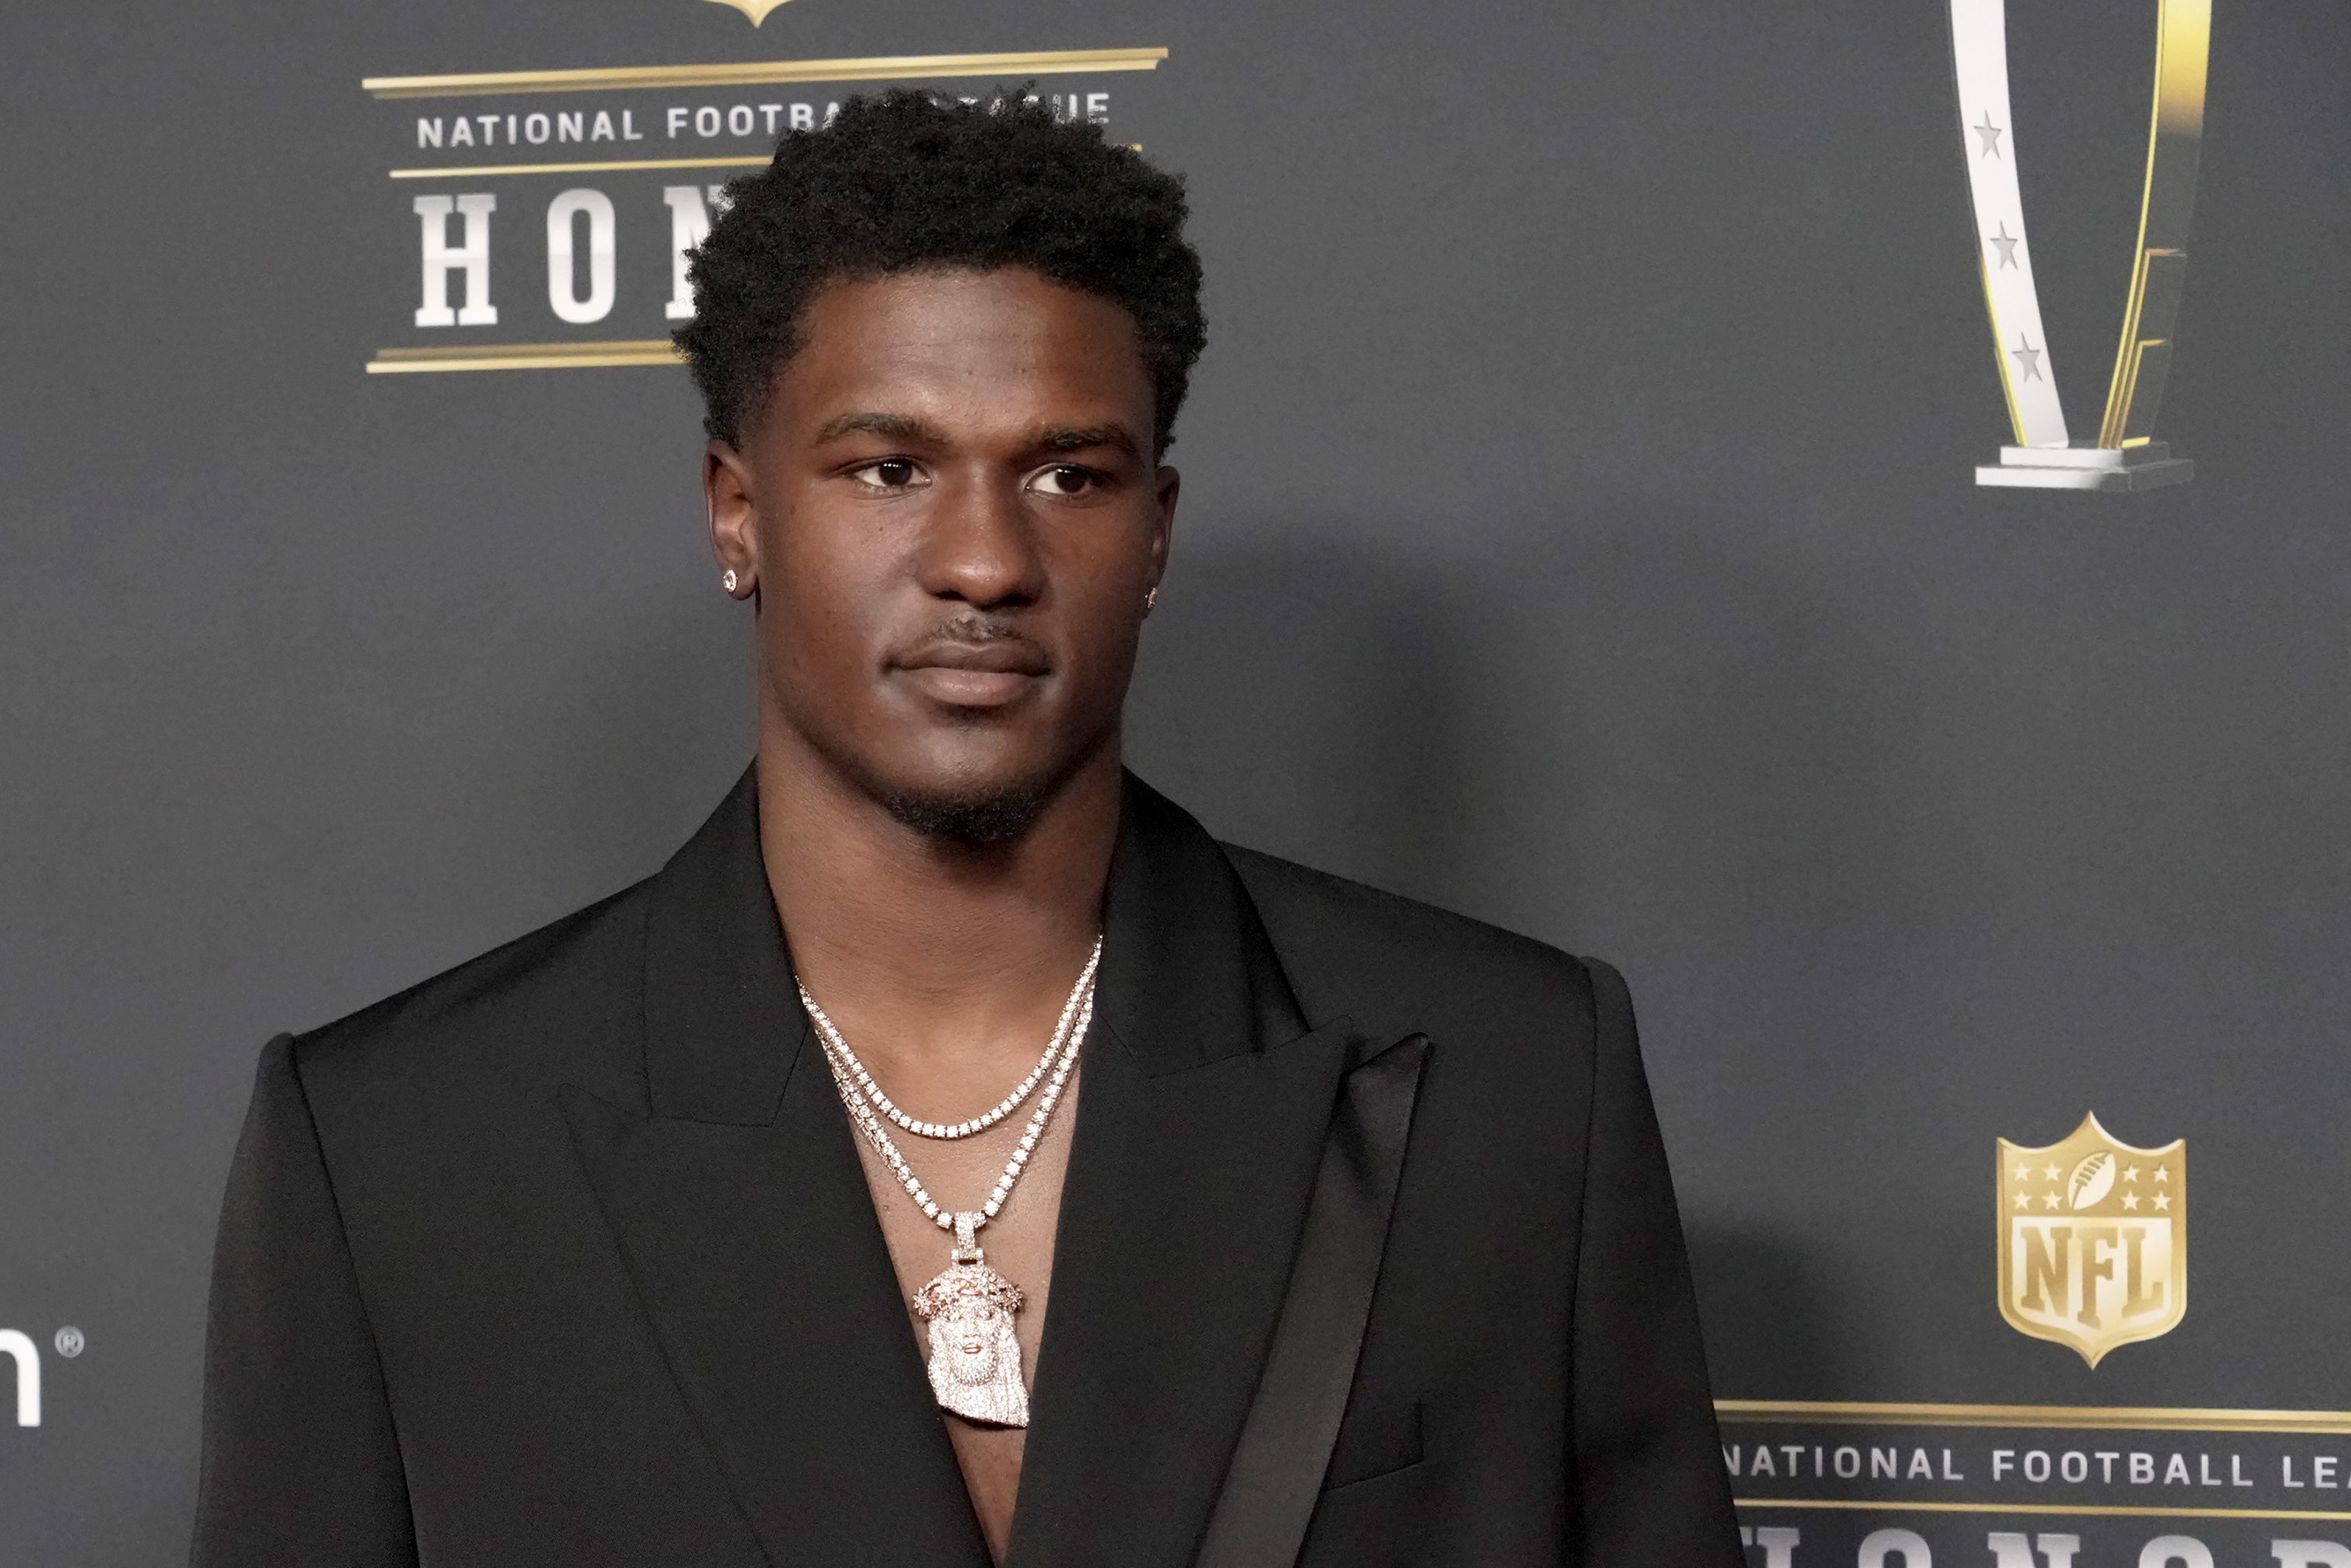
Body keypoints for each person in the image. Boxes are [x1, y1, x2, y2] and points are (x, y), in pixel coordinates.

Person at [190, 90, 1742, 1568]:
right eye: (890, 469)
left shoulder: (1515, 1080)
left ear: (1155, 535)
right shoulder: (399, 1152)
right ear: (737, 511)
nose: (985, 560)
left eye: (1068, 472)